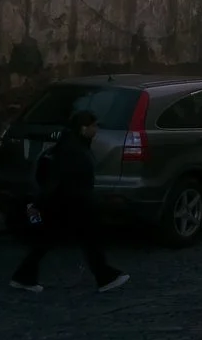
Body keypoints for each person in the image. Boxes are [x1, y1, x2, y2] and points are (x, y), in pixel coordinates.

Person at [11, 108, 130, 294]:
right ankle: (105, 277)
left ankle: (23, 276)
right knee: (86, 240)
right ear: (83, 128)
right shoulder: (72, 150)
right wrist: (38, 204)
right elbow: (59, 179)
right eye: (93, 126)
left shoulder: (74, 145)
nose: (96, 129)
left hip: (69, 202)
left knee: (54, 240)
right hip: (70, 202)